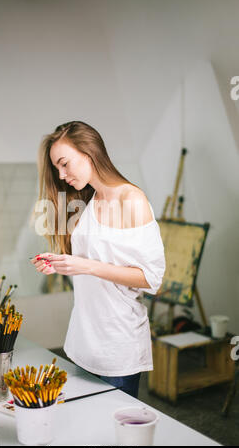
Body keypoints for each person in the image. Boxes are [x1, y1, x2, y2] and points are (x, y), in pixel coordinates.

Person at [31, 120, 166, 398]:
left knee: (113, 435)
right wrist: (60, 263)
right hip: (84, 339)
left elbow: (152, 280)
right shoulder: (89, 202)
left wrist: (86, 266)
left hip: (117, 343)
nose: (61, 174)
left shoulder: (131, 199)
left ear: (89, 152)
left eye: (64, 164)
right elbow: (91, 264)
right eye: (57, 167)